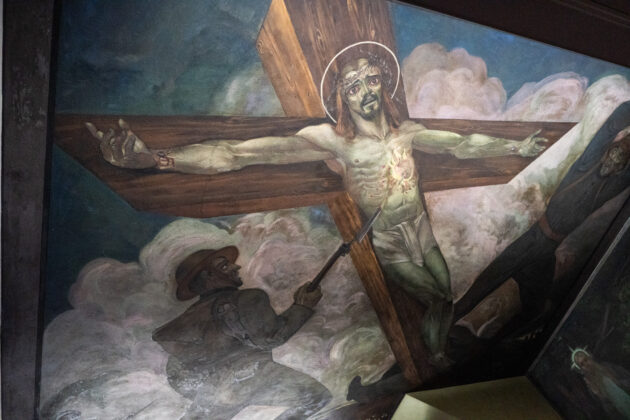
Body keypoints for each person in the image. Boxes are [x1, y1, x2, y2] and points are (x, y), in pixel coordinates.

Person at [88, 42, 547, 364]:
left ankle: (438, 350)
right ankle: (437, 354)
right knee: (431, 295)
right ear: (342, 97)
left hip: (422, 231)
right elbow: (237, 154)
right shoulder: (334, 142)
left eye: (371, 80)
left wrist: (517, 147)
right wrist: (155, 159)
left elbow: (465, 144)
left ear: (383, 85)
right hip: (388, 239)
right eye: (353, 85)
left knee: (446, 294)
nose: (365, 91)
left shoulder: (408, 133)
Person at [454, 101, 630, 338]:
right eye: (614, 153)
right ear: (607, 151)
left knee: (534, 311)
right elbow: (612, 125)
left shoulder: (610, 187)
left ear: (622, 168)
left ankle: (494, 345)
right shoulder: (586, 164)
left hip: (547, 252)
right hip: (533, 240)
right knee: (485, 284)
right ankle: (448, 324)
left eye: (620, 160)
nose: (613, 161)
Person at [152, 246, 331, 419]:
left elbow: (175, 372)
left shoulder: (187, 318)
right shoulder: (248, 298)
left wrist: (208, 389)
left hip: (213, 390)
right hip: (254, 375)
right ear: (208, 276)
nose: (236, 266)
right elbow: (270, 338)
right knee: (317, 397)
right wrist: (302, 306)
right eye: (224, 266)